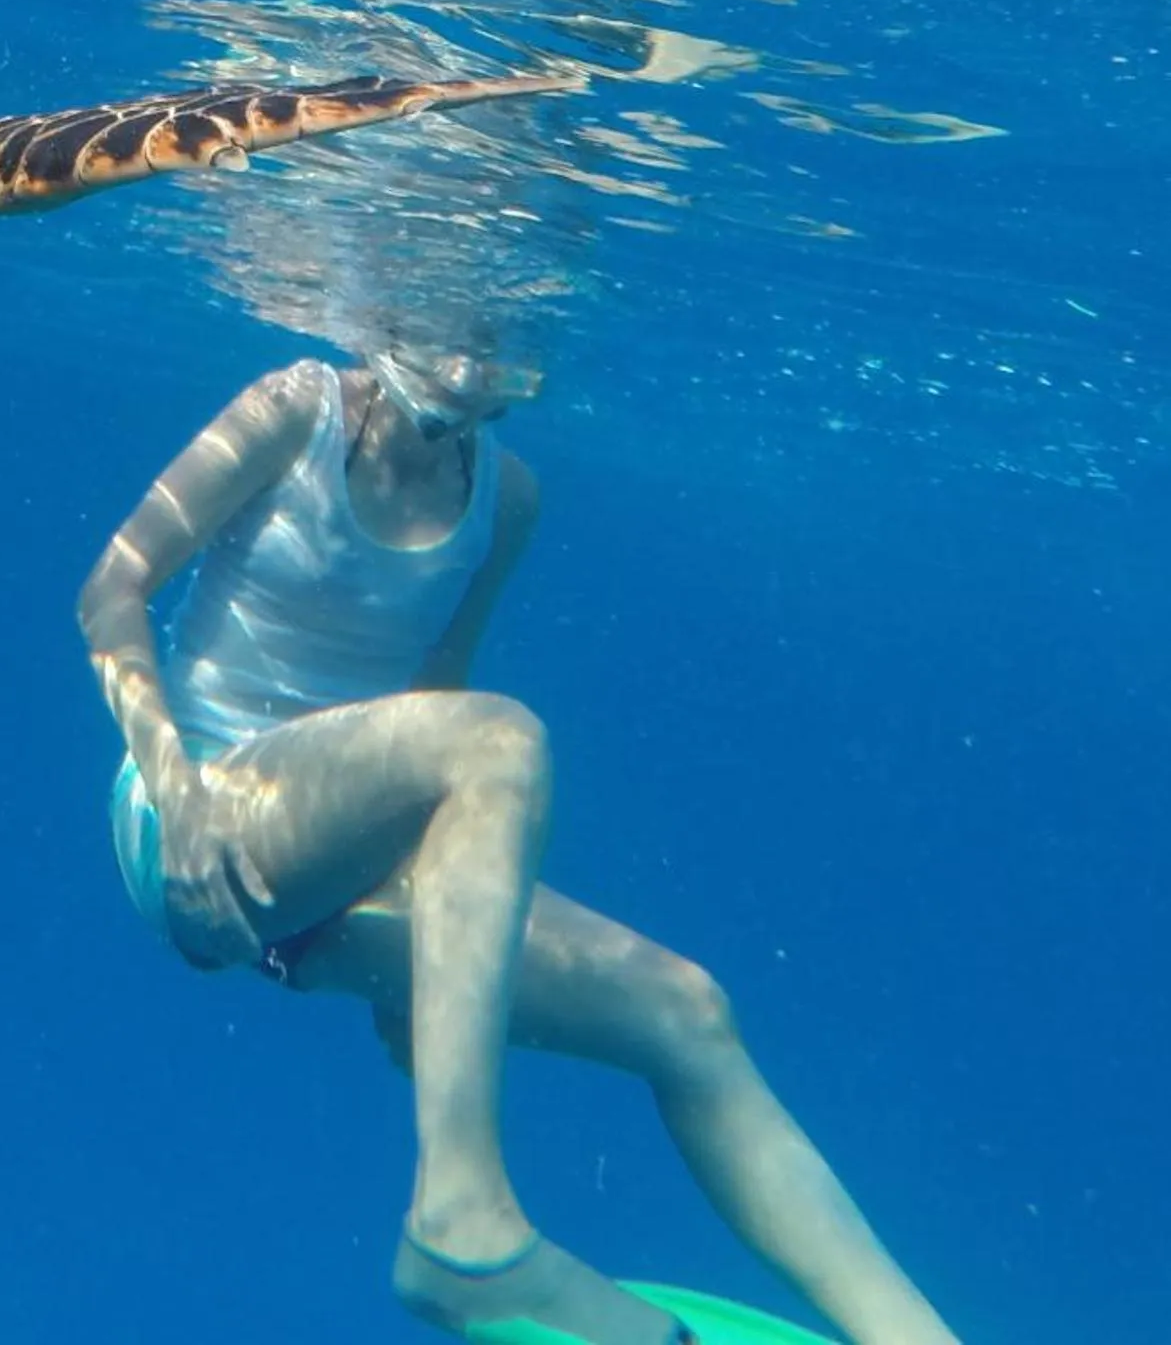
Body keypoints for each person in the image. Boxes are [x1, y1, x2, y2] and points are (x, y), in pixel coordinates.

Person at [77, 351, 960, 1345]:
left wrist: (418, 970)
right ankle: (459, 1213)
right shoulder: (294, 408)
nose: (462, 360)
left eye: (497, 340)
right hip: (195, 818)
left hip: (336, 869)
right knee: (502, 738)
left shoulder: (510, 499)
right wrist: (178, 795)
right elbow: (112, 588)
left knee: (687, 1010)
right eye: (442, 328)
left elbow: (425, 716)